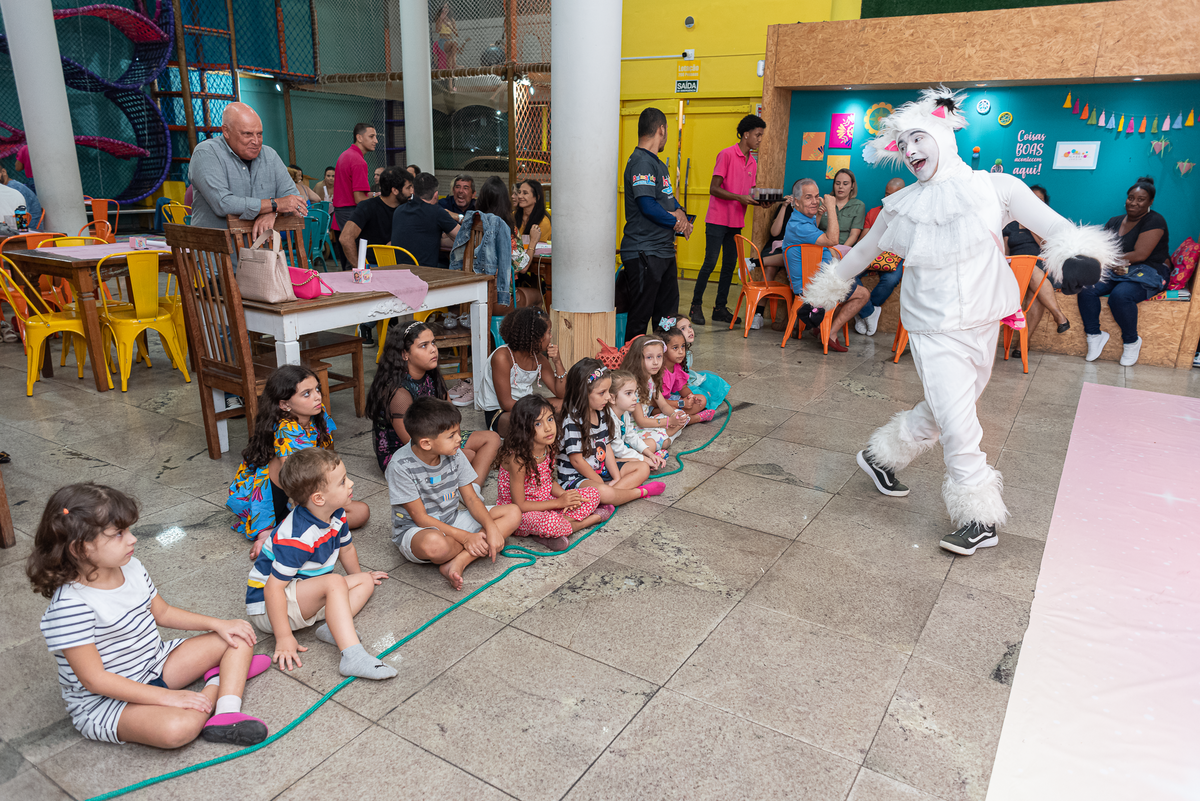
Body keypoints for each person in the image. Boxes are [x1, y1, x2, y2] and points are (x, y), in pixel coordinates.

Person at [803, 87, 1117, 555]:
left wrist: (1076, 254)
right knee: (960, 420)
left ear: (943, 134)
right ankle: (978, 515)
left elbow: (1052, 225)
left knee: (946, 408)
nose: (910, 151)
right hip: (932, 327)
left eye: (918, 139)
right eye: (903, 144)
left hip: (985, 319)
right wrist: (824, 294)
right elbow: (866, 251)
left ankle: (878, 457)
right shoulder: (901, 204)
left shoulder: (998, 188)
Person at [31, 483, 271, 748]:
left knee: (238, 635)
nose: (133, 538)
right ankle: (220, 680)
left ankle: (226, 712)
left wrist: (218, 624)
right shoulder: (70, 607)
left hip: (154, 663)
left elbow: (163, 612)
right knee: (176, 730)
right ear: (80, 548)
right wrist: (170, 698)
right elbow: (95, 680)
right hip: (107, 701)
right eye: (119, 533)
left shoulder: (130, 566)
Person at [246, 447, 395, 680]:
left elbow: (347, 549)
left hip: (301, 594)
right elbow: (272, 588)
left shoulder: (337, 513)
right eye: (343, 481)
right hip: (269, 608)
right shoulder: (298, 535)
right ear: (318, 498)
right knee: (335, 581)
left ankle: (332, 628)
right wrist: (283, 636)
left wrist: (359, 577)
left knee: (365, 581)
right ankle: (353, 656)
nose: (351, 483)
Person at [387, 396, 522, 590]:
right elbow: (421, 519)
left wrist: (490, 527)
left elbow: (471, 499)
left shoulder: (454, 453)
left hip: (452, 519)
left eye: (457, 432)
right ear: (426, 444)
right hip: (418, 531)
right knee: (435, 545)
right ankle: (472, 544)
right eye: (451, 435)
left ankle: (460, 561)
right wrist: (467, 537)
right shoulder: (400, 466)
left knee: (513, 513)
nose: (459, 439)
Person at [227, 365, 371, 546]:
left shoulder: (316, 415)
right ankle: (271, 534)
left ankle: (298, 531)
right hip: (279, 502)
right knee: (292, 466)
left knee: (361, 512)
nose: (317, 396)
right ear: (284, 404)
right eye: (307, 394)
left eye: (317, 389)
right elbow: (296, 481)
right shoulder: (285, 430)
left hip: (309, 493)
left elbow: (326, 458)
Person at [365, 321, 500, 483]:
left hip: (437, 437)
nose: (433, 349)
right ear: (404, 354)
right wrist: (454, 450)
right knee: (469, 455)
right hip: (407, 453)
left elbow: (452, 418)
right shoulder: (398, 392)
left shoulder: (431, 374)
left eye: (433, 343)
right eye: (423, 345)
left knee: (492, 439)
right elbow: (412, 443)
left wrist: (454, 442)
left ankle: (474, 490)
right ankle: (466, 488)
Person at [617, 107, 692, 343]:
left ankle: (663, 372)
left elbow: (666, 198)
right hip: (644, 252)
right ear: (662, 129)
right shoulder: (640, 162)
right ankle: (633, 373)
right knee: (640, 318)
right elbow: (647, 205)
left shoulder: (656, 163)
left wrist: (681, 213)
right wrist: (677, 223)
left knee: (667, 319)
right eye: (667, 131)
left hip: (663, 251)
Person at [496, 395, 608, 551]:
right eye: (537, 423)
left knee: (593, 494)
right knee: (552, 523)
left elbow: (548, 483)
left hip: (546, 500)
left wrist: (565, 497)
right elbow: (519, 505)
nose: (548, 428)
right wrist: (559, 503)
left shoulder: (547, 447)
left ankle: (550, 532)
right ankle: (591, 520)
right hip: (522, 513)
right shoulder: (518, 460)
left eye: (549, 419)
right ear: (524, 429)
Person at [1078, 176, 1170, 367]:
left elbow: (1140, 254)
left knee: (1120, 296)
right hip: (1117, 269)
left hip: (1148, 270)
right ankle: (1094, 335)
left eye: (1140, 199)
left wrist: (1112, 262)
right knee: (1086, 288)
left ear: (1150, 202)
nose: (1134, 203)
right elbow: (1102, 250)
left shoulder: (1155, 220)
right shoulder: (1114, 221)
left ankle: (1131, 341)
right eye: (1130, 198)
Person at [690, 114, 767, 327]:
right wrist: (738, 197)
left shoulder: (752, 161)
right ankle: (695, 306)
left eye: (762, 135)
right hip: (716, 219)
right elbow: (713, 188)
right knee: (710, 262)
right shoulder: (726, 155)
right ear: (746, 134)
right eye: (758, 135)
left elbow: (748, 192)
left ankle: (719, 308)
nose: (760, 139)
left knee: (729, 265)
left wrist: (760, 202)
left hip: (736, 222)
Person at [187, 103, 304, 237]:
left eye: (259, 134)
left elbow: (296, 201)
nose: (256, 141)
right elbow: (224, 204)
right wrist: (275, 204)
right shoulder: (206, 153)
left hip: (262, 253)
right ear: (226, 131)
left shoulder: (270, 156)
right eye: (247, 134)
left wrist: (274, 212)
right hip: (217, 254)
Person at [557, 359, 663, 504]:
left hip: (599, 470)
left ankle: (612, 496)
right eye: (602, 393)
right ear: (582, 393)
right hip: (576, 478)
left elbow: (606, 447)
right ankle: (639, 492)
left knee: (643, 467)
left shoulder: (601, 412)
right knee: (604, 492)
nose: (608, 397)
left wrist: (616, 477)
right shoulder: (572, 421)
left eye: (608, 391)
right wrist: (600, 483)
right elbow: (577, 461)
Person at [782, 178, 868, 352]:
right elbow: (833, 240)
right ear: (796, 201)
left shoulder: (802, 219)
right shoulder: (800, 226)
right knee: (863, 294)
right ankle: (830, 332)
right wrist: (831, 206)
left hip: (816, 279)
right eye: (808, 197)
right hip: (812, 287)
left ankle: (819, 324)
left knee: (852, 276)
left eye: (816, 196)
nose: (814, 201)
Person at [478, 307, 567, 436]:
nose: (551, 336)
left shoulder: (539, 359)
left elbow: (561, 393)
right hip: (502, 414)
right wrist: (541, 411)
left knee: (569, 404)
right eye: (548, 332)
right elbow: (506, 403)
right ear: (536, 337)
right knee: (535, 423)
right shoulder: (502, 357)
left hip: (529, 407)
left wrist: (558, 362)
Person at [1003, 183, 1070, 350]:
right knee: (1032, 272)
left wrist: (1033, 224)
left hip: (1041, 263)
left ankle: (1022, 343)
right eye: (1031, 200)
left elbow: (1048, 248)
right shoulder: (1009, 224)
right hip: (1015, 267)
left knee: (1035, 285)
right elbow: (1005, 252)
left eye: (1039, 201)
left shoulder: (1047, 224)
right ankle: (1058, 315)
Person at [854, 177, 907, 336]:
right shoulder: (873, 212)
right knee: (849, 274)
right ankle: (868, 312)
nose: (889, 199)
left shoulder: (907, 217)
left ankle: (867, 308)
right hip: (871, 252)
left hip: (894, 256)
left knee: (891, 279)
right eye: (887, 194)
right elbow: (863, 240)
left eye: (894, 195)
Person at [619, 336, 688, 450]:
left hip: (646, 422)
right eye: (649, 357)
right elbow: (640, 421)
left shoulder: (650, 379)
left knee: (681, 415)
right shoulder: (633, 385)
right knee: (656, 441)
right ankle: (665, 441)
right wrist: (668, 422)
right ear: (637, 359)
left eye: (659, 356)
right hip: (633, 429)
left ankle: (666, 437)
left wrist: (674, 416)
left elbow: (663, 405)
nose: (656, 362)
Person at [391, 172, 460, 269]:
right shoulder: (437, 212)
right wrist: (459, 217)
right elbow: (463, 236)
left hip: (398, 270)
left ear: (413, 191)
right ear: (436, 195)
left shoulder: (399, 210)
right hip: (423, 273)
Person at [332, 123, 378, 267]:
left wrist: (375, 194)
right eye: (371, 136)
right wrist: (378, 199)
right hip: (350, 215)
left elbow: (354, 192)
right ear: (359, 137)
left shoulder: (345, 155)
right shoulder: (358, 161)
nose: (376, 140)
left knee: (346, 265)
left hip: (339, 215)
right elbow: (359, 199)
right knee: (356, 266)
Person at [606, 370, 668, 468]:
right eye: (628, 393)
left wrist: (650, 455)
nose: (635, 398)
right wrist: (644, 459)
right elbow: (618, 450)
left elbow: (631, 436)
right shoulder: (609, 420)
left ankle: (646, 459)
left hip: (619, 451)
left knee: (650, 444)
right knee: (639, 463)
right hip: (609, 457)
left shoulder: (624, 412)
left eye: (635, 392)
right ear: (612, 398)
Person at [658, 319, 715, 420]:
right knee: (666, 414)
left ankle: (681, 418)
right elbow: (654, 401)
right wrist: (681, 403)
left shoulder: (676, 366)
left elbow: (682, 387)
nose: (681, 351)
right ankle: (695, 419)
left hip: (670, 401)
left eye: (683, 346)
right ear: (663, 349)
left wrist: (692, 398)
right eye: (675, 348)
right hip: (655, 406)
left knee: (702, 399)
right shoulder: (657, 370)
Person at [816, 168, 867, 247]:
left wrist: (841, 251)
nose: (840, 187)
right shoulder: (822, 202)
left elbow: (854, 235)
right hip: (823, 246)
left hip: (844, 248)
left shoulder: (859, 205)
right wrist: (819, 215)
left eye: (845, 184)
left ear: (852, 186)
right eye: (837, 183)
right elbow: (812, 229)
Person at [513, 179, 551, 251]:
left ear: (536, 198)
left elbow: (538, 250)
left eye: (525, 193)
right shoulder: (513, 216)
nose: (520, 196)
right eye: (519, 192)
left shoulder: (543, 222)